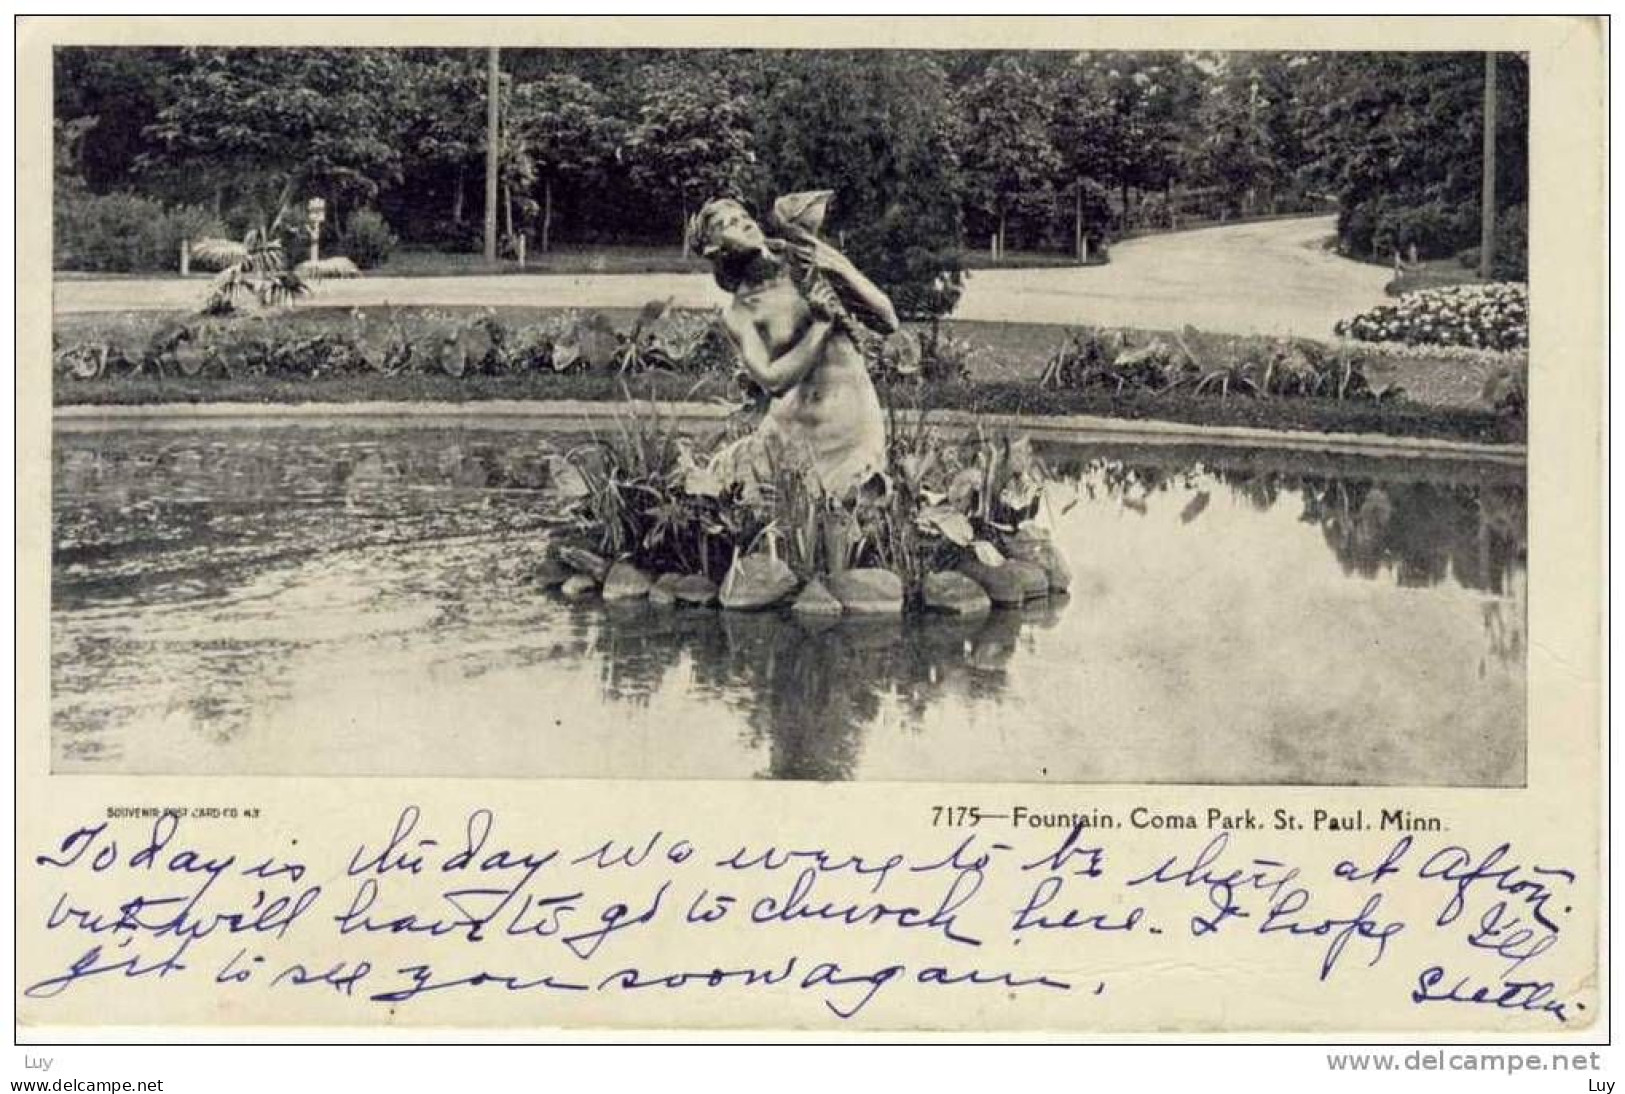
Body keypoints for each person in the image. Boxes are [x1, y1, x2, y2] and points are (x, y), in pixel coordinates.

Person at [689, 196, 898, 497]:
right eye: (727, 224)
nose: (743, 222)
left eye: (743, 215)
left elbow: (887, 319)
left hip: (852, 423)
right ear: (716, 249)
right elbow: (772, 380)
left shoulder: (805, 263)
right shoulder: (741, 311)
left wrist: (831, 263)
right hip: (792, 434)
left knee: (858, 512)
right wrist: (821, 327)